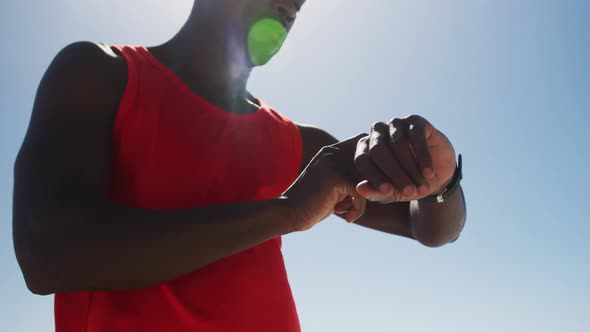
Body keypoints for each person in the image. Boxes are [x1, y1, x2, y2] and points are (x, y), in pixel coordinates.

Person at [12, 1, 467, 331]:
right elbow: (48, 255)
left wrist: (438, 180)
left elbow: (429, 229)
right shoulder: (100, 73)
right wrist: (286, 212)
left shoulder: (299, 143)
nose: (293, 6)